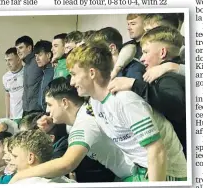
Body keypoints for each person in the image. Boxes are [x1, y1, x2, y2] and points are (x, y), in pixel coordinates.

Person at [66, 42, 187, 181]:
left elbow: (157, 151)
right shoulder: (95, 102)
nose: (71, 82)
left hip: (167, 173)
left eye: (74, 74)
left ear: (92, 73)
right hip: (141, 169)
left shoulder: (124, 100)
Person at [9, 77, 134, 184]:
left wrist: (21, 175)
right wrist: (54, 121)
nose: (47, 110)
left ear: (64, 102)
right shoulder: (84, 113)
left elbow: (66, 164)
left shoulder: (84, 124)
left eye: (50, 104)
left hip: (135, 175)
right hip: (124, 173)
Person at [108, 26, 187, 157]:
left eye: (145, 52)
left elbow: (175, 104)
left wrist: (134, 84)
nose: (142, 58)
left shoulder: (169, 78)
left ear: (162, 53)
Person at [9, 129, 76, 184]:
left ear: (30, 158)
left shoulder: (23, 185)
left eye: (15, 156)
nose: (11, 160)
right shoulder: (67, 181)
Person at [15, 36, 43, 116]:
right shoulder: (27, 64)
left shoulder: (38, 61)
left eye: (21, 48)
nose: (18, 52)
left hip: (38, 111)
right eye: (17, 49)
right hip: (27, 110)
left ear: (29, 48)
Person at [3, 47, 24, 124]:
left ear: (18, 59)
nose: (7, 63)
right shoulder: (5, 77)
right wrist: (7, 116)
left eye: (10, 60)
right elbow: (7, 96)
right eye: (6, 60)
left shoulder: (27, 73)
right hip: (13, 117)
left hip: (25, 116)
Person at [33, 40, 54, 111]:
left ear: (48, 55)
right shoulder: (45, 70)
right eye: (36, 56)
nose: (37, 59)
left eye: (40, 55)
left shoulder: (54, 70)